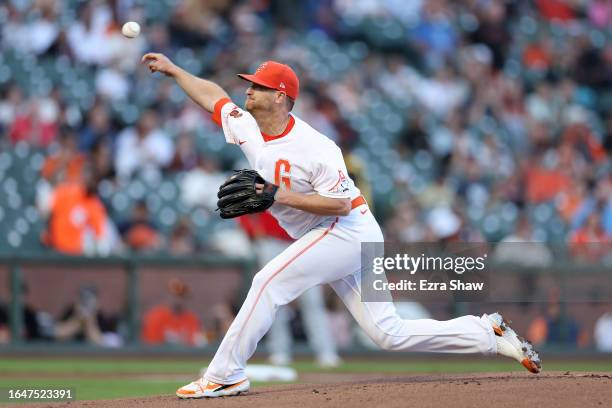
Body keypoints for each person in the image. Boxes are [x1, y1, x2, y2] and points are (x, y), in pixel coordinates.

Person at [142, 53, 541, 399]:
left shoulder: (317, 147)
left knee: (267, 282)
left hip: (346, 230)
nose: (248, 91)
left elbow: (340, 202)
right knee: (389, 334)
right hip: (339, 236)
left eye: (258, 86)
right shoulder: (248, 128)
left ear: (280, 96)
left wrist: (276, 194)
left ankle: (222, 376)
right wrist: (175, 71)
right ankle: (486, 332)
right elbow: (215, 97)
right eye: (250, 84)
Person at [238, 211, 340, 368]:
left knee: (312, 301)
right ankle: (279, 352)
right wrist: (253, 231)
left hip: (303, 242)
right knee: (275, 301)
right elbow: (242, 203)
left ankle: (326, 352)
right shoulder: (262, 184)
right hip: (271, 241)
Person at [141, 278, 206, 347]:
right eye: (176, 295)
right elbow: (150, 345)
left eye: (182, 296)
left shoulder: (192, 319)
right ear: (168, 295)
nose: (179, 299)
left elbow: (197, 344)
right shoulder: (156, 316)